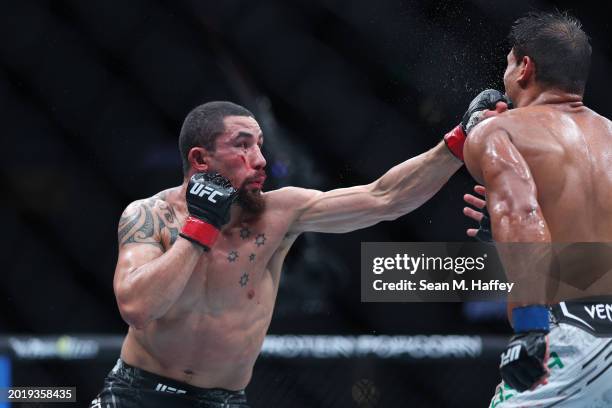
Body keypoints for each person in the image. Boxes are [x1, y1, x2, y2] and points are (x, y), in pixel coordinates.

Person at [89, 89, 507, 407]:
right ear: (200, 159)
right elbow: (137, 307)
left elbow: (385, 198)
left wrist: (456, 143)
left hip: (222, 399)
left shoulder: (278, 212)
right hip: (136, 393)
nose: (260, 160)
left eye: (259, 145)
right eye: (242, 145)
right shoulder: (150, 215)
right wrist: (200, 227)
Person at [462, 11, 612, 407]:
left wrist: (531, 327)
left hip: (567, 333)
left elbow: (521, 214)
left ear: (525, 66)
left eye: (508, 64)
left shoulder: (499, 130)